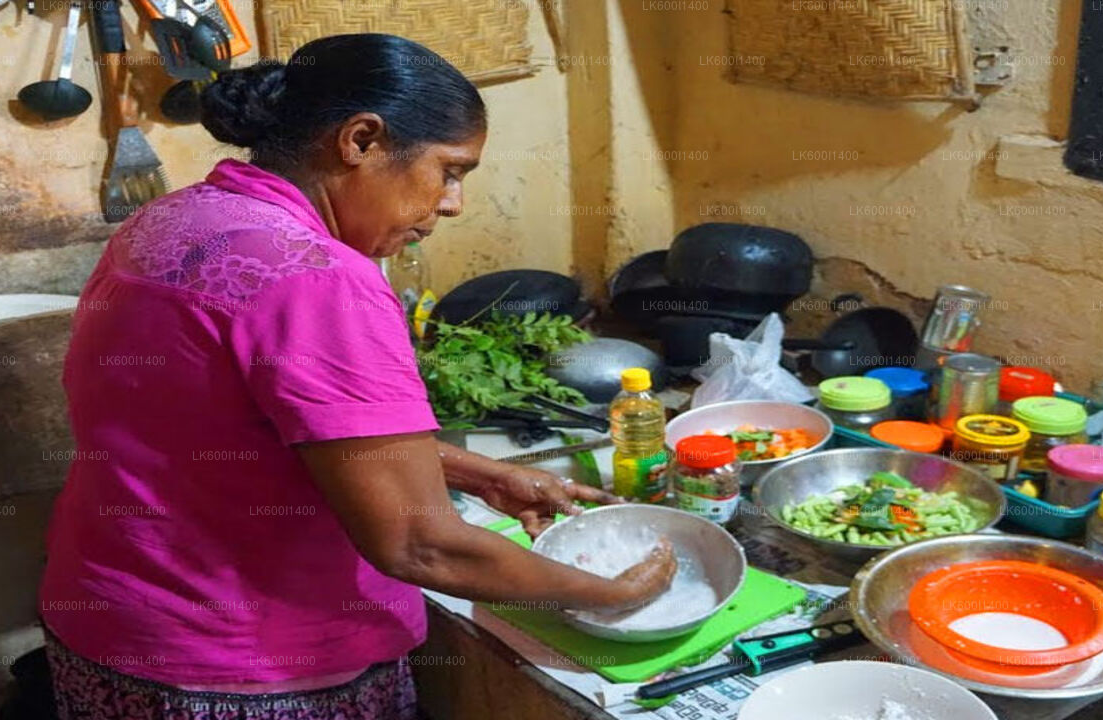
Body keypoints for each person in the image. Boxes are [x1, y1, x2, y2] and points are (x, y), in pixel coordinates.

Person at [39, 33, 675, 720]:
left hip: (107, 630)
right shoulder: (320, 279)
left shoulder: (173, 220)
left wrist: (476, 473)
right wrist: (607, 594)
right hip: (244, 666)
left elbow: (244, 427)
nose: (453, 202)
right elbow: (418, 543)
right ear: (361, 141)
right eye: (450, 170)